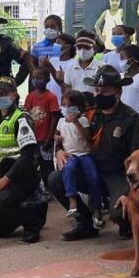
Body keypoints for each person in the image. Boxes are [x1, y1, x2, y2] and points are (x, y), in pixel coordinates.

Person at [49, 66, 139, 240]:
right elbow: (64, 136)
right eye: (97, 90)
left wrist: (129, 191)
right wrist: (59, 151)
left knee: (119, 211)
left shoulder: (132, 120)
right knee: (56, 179)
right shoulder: (88, 115)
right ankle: (86, 224)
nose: (100, 94)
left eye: (106, 90)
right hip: (90, 169)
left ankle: (130, 223)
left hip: (118, 175)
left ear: (118, 91)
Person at [0, 77, 47, 244]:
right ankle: (30, 208)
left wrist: (6, 179)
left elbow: (27, 155)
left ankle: (33, 222)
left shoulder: (21, 118)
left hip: (22, 175)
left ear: (14, 95)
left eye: (3, 93)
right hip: (3, 173)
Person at [54, 90, 103, 228]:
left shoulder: (82, 120)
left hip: (84, 154)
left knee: (93, 177)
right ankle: (72, 200)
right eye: (64, 105)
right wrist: (57, 139)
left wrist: (76, 122)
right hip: (70, 155)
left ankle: (96, 208)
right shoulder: (60, 121)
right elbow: (57, 137)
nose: (66, 108)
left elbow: (87, 137)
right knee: (67, 169)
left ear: (79, 107)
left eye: (70, 105)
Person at [23, 66, 60, 171]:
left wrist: (49, 138)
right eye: (34, 78)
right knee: (32, 164)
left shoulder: (51, 97)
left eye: (39, 78)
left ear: (47, 79)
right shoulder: (30, 97)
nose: (36, 80)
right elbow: (26, 116)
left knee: (47, 165)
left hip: (45, 138)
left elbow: (54, 118)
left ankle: (48, 185)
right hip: (32, 139)